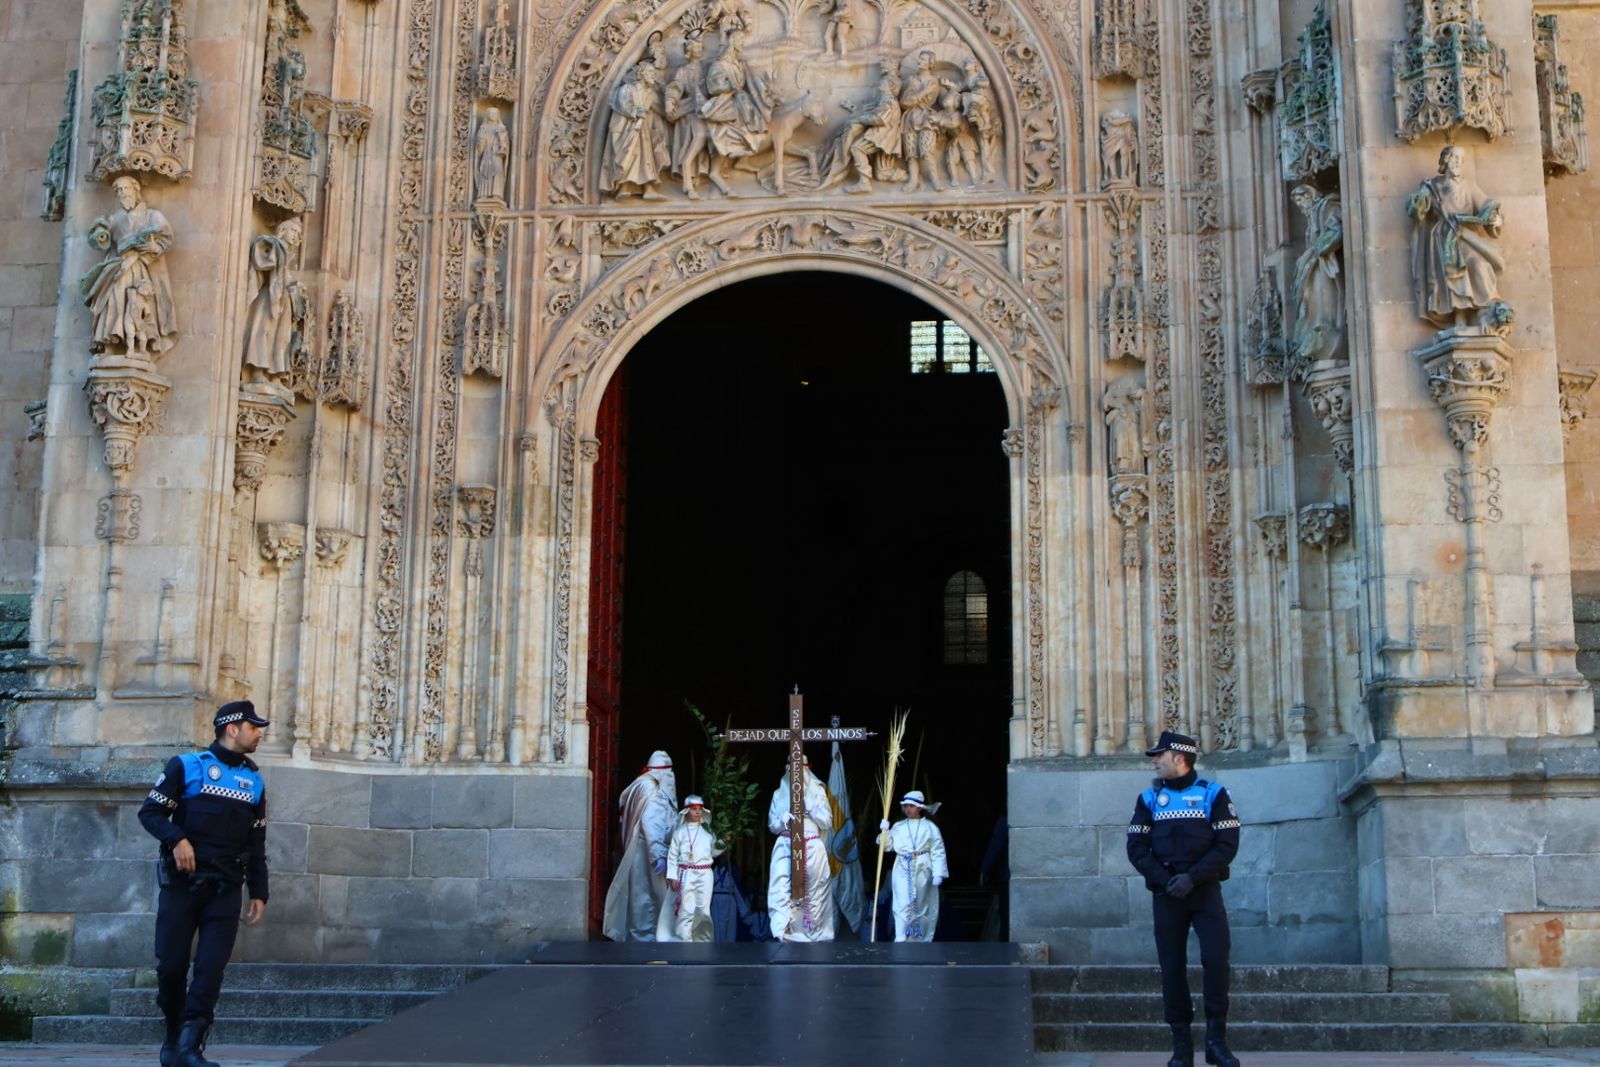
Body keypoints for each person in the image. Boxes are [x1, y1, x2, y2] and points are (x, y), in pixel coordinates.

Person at [138, 700, 271, 1067]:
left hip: (226, 888)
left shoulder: (254, 781)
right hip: (183, 886)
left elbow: (256, 842)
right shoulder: (186, 766)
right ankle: (173, 1035)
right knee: (171, 966)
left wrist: (259, 891)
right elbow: (150, 812)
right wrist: (177, 839)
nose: (259, 733)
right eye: (254, 727)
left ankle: (190, 1046)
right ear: (232, 728)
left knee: (210, 968)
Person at [1126, 731, 1241, 1067]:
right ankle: (1181, 1047)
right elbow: (1136, 848)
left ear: (1179, 757)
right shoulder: (1148, 799)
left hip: (1203, 891)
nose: (1154, 761)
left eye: (1159, 755)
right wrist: (1165, 881)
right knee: (1172, 968)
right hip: (1167, 894)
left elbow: (1227, 845)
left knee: (1216, 960)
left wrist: (1193, 878)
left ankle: (1216, 1042)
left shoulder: (1213, 794)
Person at [1406, 144, 1505, 330]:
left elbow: (1486, 205)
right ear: (1446, 160)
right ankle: (1460, 319)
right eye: (1454, 158)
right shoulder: (1433, 185)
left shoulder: (1469, 185)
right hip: (1444, 238)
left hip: (1466, 235)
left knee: (1479, 265)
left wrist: (1494, 218)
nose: (1458, 162)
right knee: (1452, 277)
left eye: (1460, 159)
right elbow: (1420, 206)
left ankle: (1486, 309)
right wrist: (1419, 202)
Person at [80, 175, 178, 356]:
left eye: (126, 188)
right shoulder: (114, 219)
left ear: (136, 190)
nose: (122, 193)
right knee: (113, 301)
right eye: (119, 190)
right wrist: (99, 234)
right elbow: (98, 236)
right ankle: (109, 342)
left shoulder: (152, 216)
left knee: (138, 303)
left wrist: (154, 247)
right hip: (118, 267)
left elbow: (166, 238)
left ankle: (141, 345)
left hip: (140, 268)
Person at [602, 751, 677, 941]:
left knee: (638, 896)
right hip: (649, 850)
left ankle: (638, 936)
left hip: (636, 847)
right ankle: (648, 939)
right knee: (649, 898)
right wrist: (658, 855)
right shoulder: (655, 791)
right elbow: (653, 824)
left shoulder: (639, 785)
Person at [767, 758, 835, 941]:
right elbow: (772, 825)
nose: (796, 773)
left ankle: (812, 933)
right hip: (786, 845)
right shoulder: (779, 793)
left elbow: (827, 822)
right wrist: (782, 820)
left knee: (813, 891)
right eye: (791, 767)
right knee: (781, 889)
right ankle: (782, 932)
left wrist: (812, 809)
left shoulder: (817, 791)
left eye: (800, 768)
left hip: (811, 846)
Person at [240, 218, 306, 385]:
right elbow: (261, 260)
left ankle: (276, 374)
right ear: (283, 230)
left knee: (281, 337)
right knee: (262, 331)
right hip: (268, 298)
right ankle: (257, 372)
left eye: (298, 233)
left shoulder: (286, 253)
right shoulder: (272, 245)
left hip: (283, 300)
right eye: (293, 231)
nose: (296, 235)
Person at [877, 790, 948, 942]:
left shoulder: (930, 827)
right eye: (906, 806)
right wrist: (885, 832)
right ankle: (901, 936)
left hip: (923, 867)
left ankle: (918, 939)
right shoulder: (899, 826)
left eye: (912, 806)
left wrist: (938, 873)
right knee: (902, 902)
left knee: (921, 905)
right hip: (903, 866)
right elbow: (887, 847)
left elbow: (938, 850)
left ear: (919, 808)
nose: (908, 809)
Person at [660, 795, 723, 941]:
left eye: (700, 809)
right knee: (686, 909)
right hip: (686, 873)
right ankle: (684, 941)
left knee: (703, 909)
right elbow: (673, 855)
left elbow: (713, 851)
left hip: (705, 873)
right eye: (694, 809)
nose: (697, 812)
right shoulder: (680, 832)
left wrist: (723, 843)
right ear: (687, 811)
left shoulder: (708, 832)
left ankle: (703, 940)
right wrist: (673, 876)